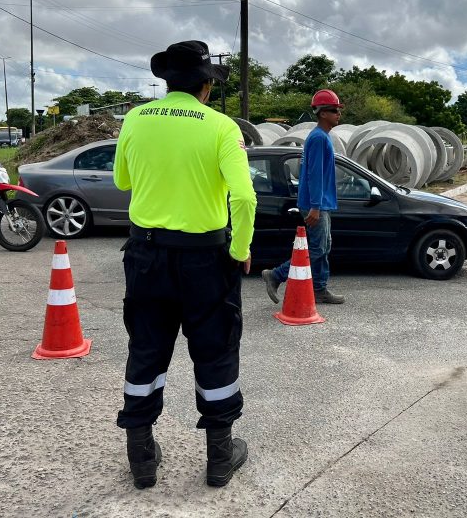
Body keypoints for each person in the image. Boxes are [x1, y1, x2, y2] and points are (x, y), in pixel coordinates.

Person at [113, 40, 257, 489]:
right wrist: (239, 250)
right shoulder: (220, 126)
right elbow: (245, 197)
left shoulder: (135, 118)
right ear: (206, 87)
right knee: (215, 351)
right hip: (205, 259)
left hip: (146, 255)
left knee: (147, 350)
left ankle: (141, 456)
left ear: (167, 81)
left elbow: (122, 180)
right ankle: (218, 457)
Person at [262, 89, 345, 305]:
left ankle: (319, 288)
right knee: (318, 247)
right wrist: (316, 206)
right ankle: (276, 275)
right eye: (334, 110)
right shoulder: (318, 138)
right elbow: (314, 174)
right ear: (322, 113)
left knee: (323, 246)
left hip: (320, 202)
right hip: (315, 203)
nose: (338, 114)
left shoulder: (321, 137)